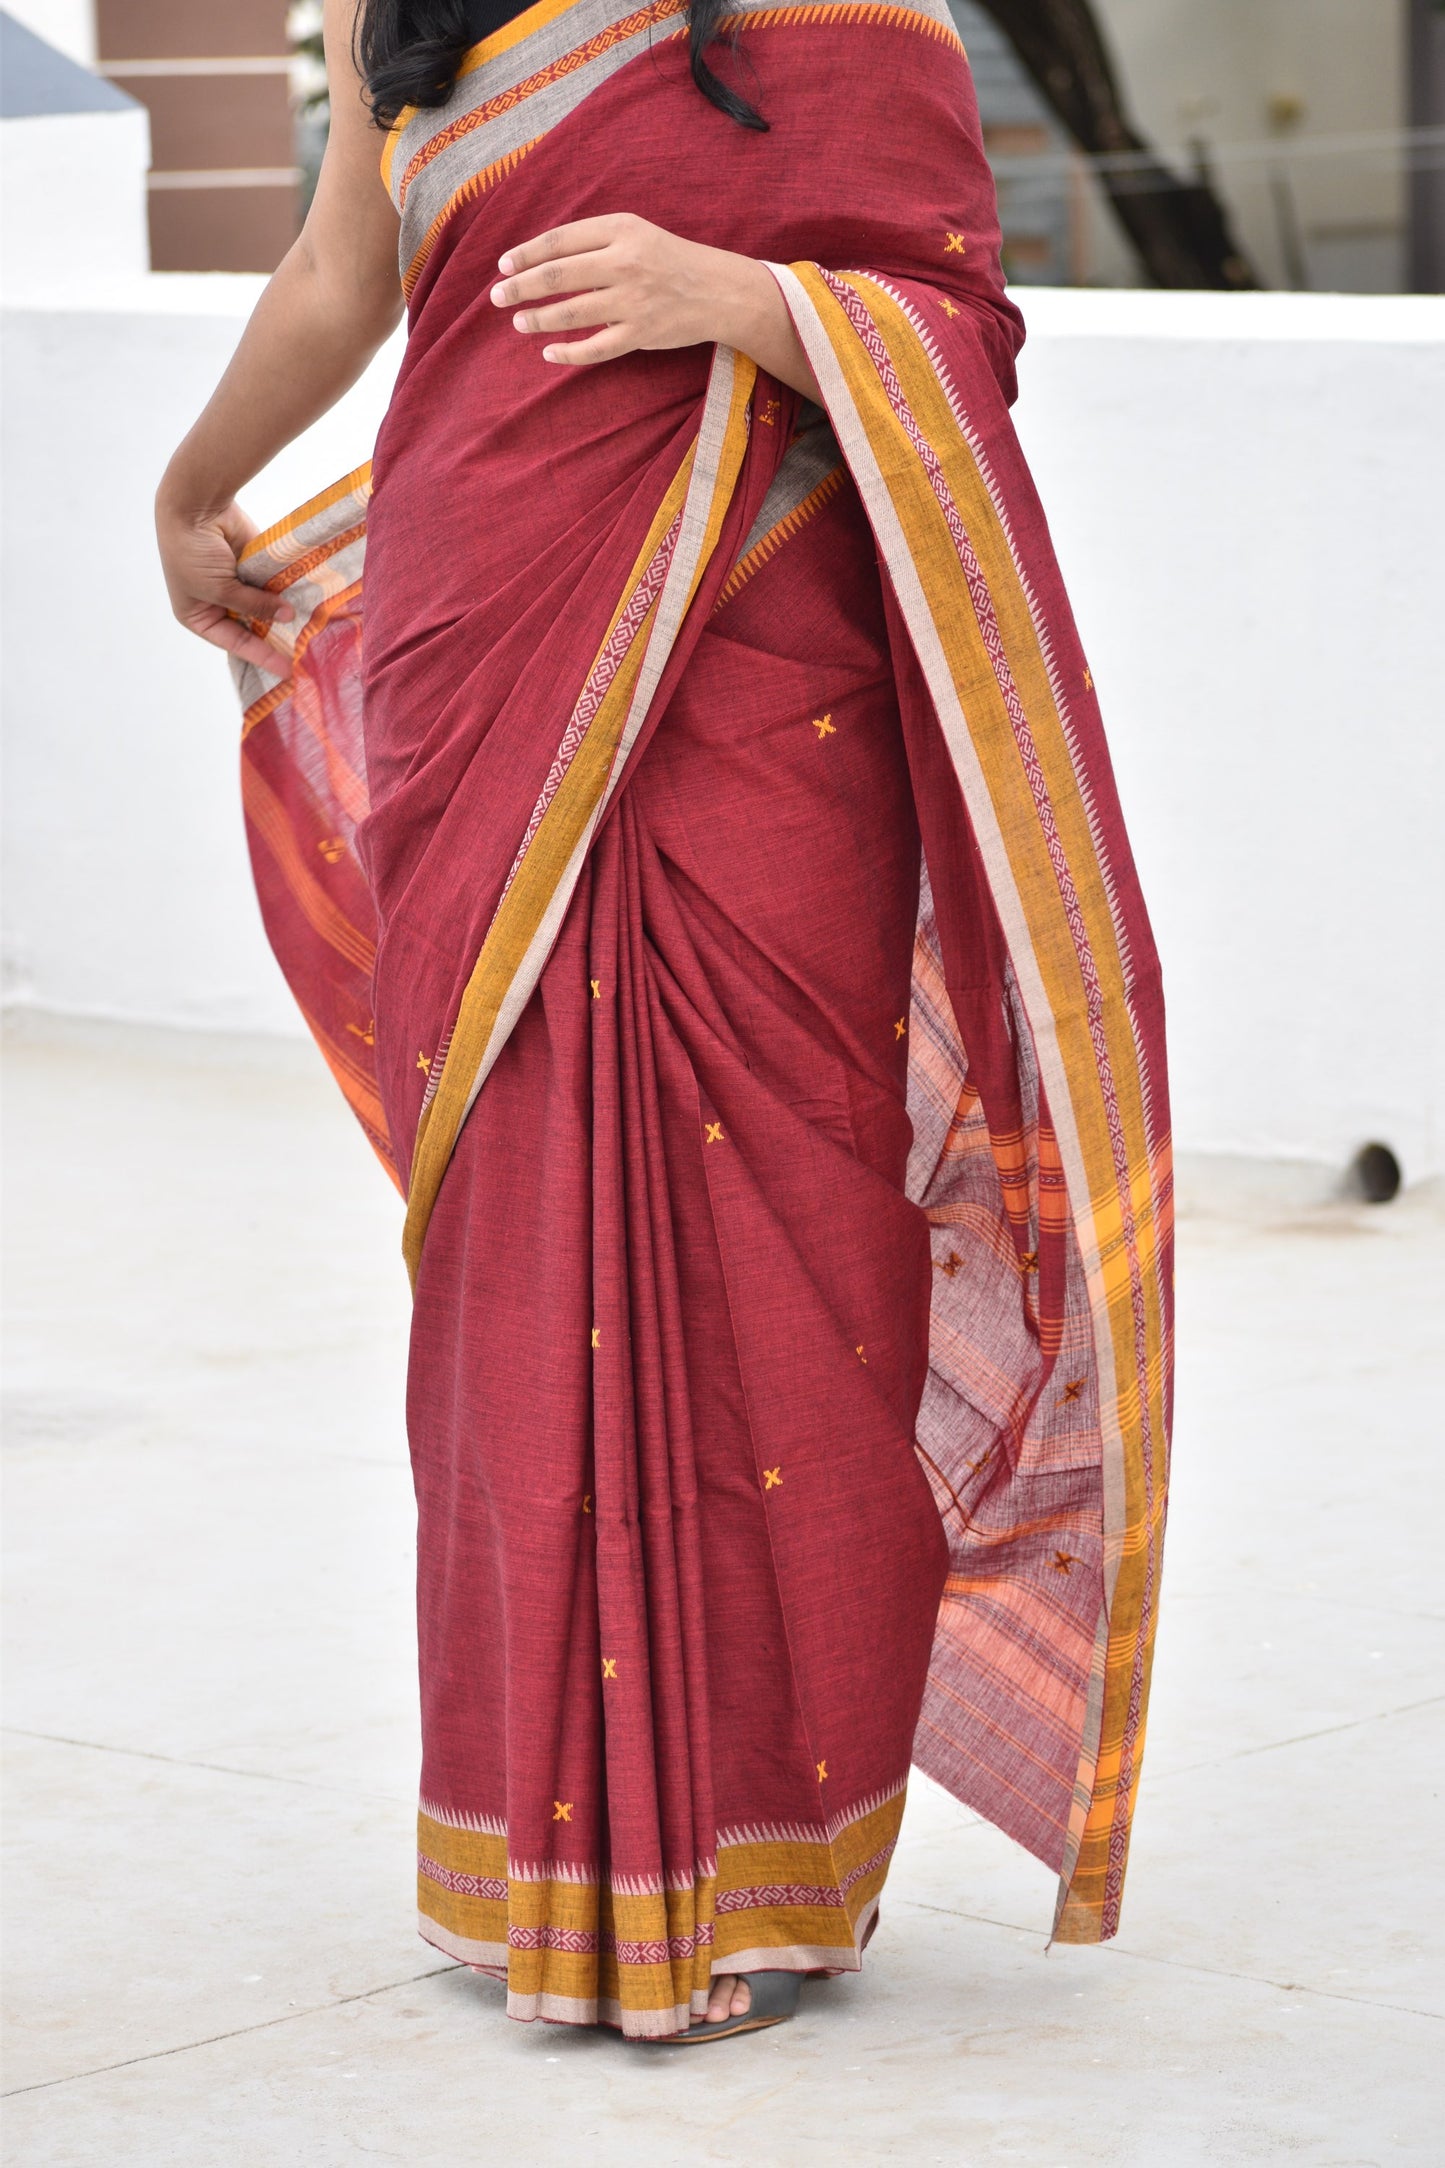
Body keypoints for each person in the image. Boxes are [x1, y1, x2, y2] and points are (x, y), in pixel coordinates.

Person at [156, 0, 1173, 2045]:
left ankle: (759, 1859)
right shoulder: (402, 14)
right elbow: (347, 275)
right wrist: (197, 482)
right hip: (479, 654)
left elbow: (957, 324)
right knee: (523, 1265)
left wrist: (743, 299)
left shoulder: (840, 14)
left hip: (759, 689)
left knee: (790, 1246)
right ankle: (549, 1845)